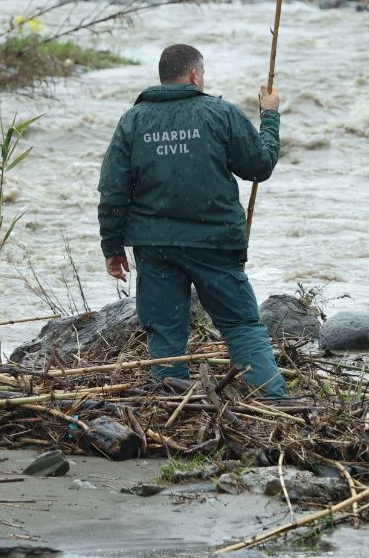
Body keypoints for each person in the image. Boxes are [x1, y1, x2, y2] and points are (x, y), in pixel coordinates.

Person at [96, 43, 287, 397]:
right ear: (195, 75)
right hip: (215, 243)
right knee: (241, 325)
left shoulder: (133, 121)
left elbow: (112, 191)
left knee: (165, 331)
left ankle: (173, 406)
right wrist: (270, 115)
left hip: (154, 247)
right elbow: (260, 166)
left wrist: (112, 247)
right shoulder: (220, 113)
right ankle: (275, 401)